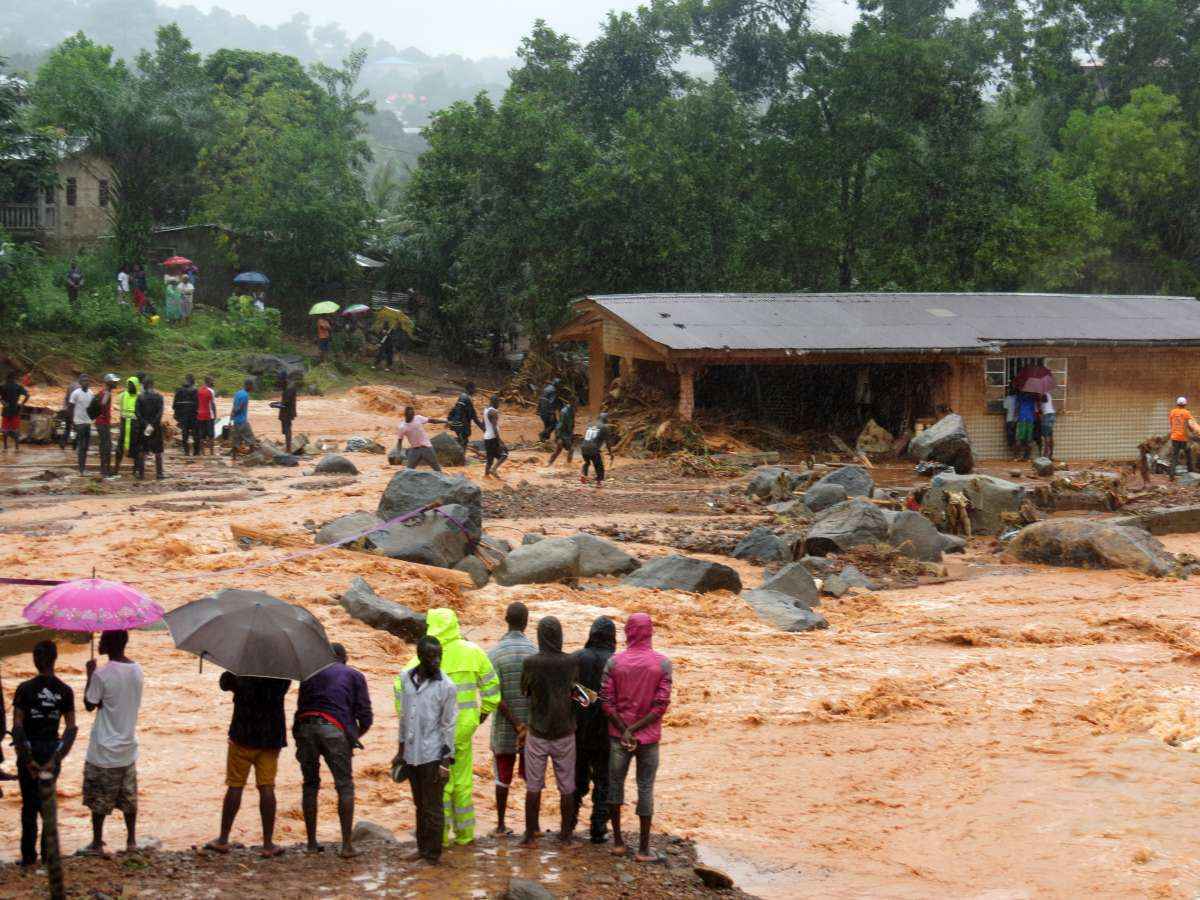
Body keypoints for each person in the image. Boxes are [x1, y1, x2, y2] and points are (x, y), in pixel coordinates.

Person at [395, 608, 499, 848]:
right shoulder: (473, 652)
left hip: (433, 735)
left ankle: (440, 836)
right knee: (462, 781)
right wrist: (482, 714)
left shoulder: (420, 659)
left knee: (438, 785)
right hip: (464, 728)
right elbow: (492, 687)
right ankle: (465, 835)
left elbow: (401, 693)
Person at [601, 613, 672, 863]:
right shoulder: (662, 664)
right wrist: (637, 728)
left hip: (618, 736)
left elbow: (606, 701)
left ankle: (619, 842)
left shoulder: (614, 662)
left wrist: (624, 729)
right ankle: (643, 849)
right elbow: (661, 705)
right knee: (645, 787)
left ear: (628, 632)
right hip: (649, 737)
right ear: (650, 632)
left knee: (615, 784)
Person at [294, 643, 373, 858]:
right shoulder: (354, 675)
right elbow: (365, 716)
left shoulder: (308, 674)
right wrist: (353, 736)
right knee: (344, 786)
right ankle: (346, 846)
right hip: (334, 731)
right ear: (344, 658)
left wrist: (297, 738)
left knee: (310, 784)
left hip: (305, 727)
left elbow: (300, 707)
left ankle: (311, 843)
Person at [205, 671, 290, 858]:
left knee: (235, 786)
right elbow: (281, 691)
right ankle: (268, 843)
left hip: (242, 733)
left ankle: (223, 839)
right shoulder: (283, 671)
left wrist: (235, 678)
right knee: (267, 786)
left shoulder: (243, 668)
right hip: (271, 736)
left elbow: (224, 683)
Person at [12, 641, 77, 868]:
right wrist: (55, 760)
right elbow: (70, 729)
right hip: (52, 748)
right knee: (47, 805)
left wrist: (27, 758)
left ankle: (28, 857)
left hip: (29, 748)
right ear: (55, 659)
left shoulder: (24, 689)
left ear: (35, 660)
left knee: (29, 805)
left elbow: (17, 727)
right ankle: (49, 856)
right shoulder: (65, 690)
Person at [393, 636, 457, 864]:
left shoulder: (447, 687)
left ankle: (432, 855)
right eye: (431, 656)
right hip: (411, 754)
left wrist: (445, 761)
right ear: (420, 657)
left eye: (439, 656)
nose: (437, 661)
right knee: (419, 804)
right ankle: (421, 849)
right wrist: (400, 751)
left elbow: (449, 726)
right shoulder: (406, 678)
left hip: (433, 755)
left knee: (434, 807)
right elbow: (404, 717)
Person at [518, 616, 579, 849]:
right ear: (560, 636)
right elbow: (580, 696)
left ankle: (530, 835)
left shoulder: (530, 662)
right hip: (565, 732)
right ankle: (565, 836)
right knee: (567, 786)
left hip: (538, 731)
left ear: (540, 636)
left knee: (533, 786)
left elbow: (525, 690)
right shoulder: (572, 662)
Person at [82, 630, 144, 857]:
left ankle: (97, 842)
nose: (99, 641)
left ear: (110, 643)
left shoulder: (102, 674)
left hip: (104, 747)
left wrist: (90, 674)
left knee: (98, 799)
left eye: (102, 639)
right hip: (127, 745)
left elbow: (90, 704)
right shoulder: (137, 670)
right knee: (128, 799)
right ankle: (131, 841)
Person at [487, 602, 536, 835]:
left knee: (502, 777)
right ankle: (532, 827)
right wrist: (524, 725)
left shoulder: (494, 654)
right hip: (531, 728)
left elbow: (493, 696)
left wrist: (515, 723)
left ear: (506, 619)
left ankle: (500, 824)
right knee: (531, 778)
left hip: (505, 728)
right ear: (526, 622)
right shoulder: (535, 653)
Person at [572, 616, 616, 844]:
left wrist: (587, 701)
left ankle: (568, 825)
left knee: (576, 781)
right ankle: (598, 829)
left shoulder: (577, 658)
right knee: (604, 781)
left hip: (578, 731)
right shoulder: (617, 661)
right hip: (607, 733)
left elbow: (567, 690)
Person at [396, 406, 445, 472]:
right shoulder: (402, 427)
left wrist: (445, 421)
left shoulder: (418, 418)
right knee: (408, 471)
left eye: (413, 414)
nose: (412, 416)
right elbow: (399, 441)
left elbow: (432, 420)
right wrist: (398, 453)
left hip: (427, 448)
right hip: (415, 450)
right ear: (405, 415)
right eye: (410, 414)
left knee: (437, 469)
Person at [134, 376, 165, 480]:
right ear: (152, 385)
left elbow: (137, 413)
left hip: (144, 427)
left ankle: (141, 473)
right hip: (155, 427)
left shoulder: (140, 397)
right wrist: (153, 423)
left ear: (144, 385)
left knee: (142, 449)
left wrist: (145, 424)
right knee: (158, 451)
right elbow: (160, 412)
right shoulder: (159, 396)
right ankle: (159, 473)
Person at [67, 374, 95, 475]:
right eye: (84, 381)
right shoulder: (75, 393)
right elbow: (70, 407)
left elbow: (92, 407)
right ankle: (81, 469)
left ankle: (83, 468)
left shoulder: (91, 393)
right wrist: (72, 421)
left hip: (87, 422)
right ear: (80, 382)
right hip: (79, 423)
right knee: (82, 446)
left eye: (87, 381)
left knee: (86, 447)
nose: (86, 382)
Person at [1168, 397, 1200, 481]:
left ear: (1177, 404)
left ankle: (1171, 475)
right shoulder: (1187, 413)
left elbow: (1171, 423)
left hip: (1174, 437)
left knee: (1174, 456)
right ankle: (1191, 472)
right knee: (1188, 455)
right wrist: (1195, 432)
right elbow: (1191, 424)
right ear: (1185, 404)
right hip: (1184, 438)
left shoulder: (1172, 412)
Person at [580, 413, 616, 486]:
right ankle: (598, 482)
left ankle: (583, 475)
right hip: (593, 448)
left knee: (587, 462)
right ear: (605, 419)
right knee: (599, 465)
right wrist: (611, 453)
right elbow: (608, 442)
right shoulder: (604, 427)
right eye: (607, 419)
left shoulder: (590, 424)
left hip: (583, 447)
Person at [95, 374, 119, 478]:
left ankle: (104, 469)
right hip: (103, 423)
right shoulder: (107, 393)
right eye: (114, 382)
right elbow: (103, 404)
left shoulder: (103, 392)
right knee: (106, 446)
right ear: (109, 383)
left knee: (104, 445)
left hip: (101, 422)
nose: (116, 384)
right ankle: (105, 471)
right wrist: (104, 416)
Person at [115, 375, 140, 475]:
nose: (130, 387)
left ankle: (136, 469)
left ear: (136, 386)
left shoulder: (140, 397)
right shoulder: (122, 395)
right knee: (120, 447)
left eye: (132, 385)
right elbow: (119, 407)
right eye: (129, 385)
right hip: (124, 424)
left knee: (136, 447)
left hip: (135, 425)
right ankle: (116, 469)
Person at [447, 383, 483, 448]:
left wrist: (483, 429)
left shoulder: (468, 398)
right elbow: (458, 410)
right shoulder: (464, 397)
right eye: (474, 389)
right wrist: (456, 424)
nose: (475, 390)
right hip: (461, 425)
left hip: (463, 426)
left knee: (464, 442)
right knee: (463, 442)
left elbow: (474, 416)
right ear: (470, 389)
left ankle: (460, 455)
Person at [2, 369, 30, 452]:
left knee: (5, 430)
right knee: (16, 429)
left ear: (7, 378)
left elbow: (1, 399)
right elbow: (27, 395)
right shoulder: (18, 386)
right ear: (14, 378)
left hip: (6, 411)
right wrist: (21, 404)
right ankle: (17, 448)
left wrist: (4, 403)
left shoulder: (3, 386)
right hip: (15, 410)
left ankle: (5, 447)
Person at [173, 374, 200, 457]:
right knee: (196, 433)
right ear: (193, 381)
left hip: (183, 415)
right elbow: (199, 404)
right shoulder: (196, 391)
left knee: (185, 433)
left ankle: (186, 451)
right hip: (194, 415)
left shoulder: (179, 391)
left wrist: (177, 414)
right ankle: (196, 452)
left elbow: (174, 405)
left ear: (186, 380)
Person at [483, 396, 508, 479]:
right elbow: (494, 428)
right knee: (504, 454)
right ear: (495, 402)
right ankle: (494, 469)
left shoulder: (486, 410)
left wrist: (486, 432)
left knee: (489, 460)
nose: (499, 404)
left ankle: (486, 477)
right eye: (498, 402)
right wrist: (500, 442)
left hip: (487, 438)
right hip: (493, 438)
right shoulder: (493, 412)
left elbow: (484, 424)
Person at [547, 400, 576, 466]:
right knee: (563, 449)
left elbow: (572, 424)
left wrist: (571, 434)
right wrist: (558, 437)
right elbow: (560, 424)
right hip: (562, 434)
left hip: (567, 434)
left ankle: (550, 463)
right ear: (572, 403)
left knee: (564, 450)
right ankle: (568, 465)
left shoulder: (571, 411)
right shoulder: (565, 411)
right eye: (576, 403)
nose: (577, 405)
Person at [230, 378, 254, 454]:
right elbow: (239, 408)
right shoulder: (245, 395)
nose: (252, 388)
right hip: (242, 421)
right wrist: (235, 413)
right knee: (250, 439)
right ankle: (253, 455)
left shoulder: (238, 393)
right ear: (248, 385)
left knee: (236, 439)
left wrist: (231, 417)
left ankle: (234, 458)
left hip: (236, 421)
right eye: (251, 386)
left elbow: (234, 406)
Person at [1014, 392, 1039, 460]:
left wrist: (1015, 418)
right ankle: (1026, 456)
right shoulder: (1033, 399)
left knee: (1019, 439)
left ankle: (1017, 456)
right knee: (1028, 439)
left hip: (1022, 419)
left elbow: (1016, 409)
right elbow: (1035, 411)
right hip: (1030, 420)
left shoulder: (1019, 397)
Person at [197, 375, 217, 455]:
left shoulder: (199, 390)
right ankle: (212, 452)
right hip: (209, 415)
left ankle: (203, 452)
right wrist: (215, 415)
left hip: (200, 415)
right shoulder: (211, 391)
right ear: (209, 382)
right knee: (211, 434)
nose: (213, 382)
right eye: (212, 381)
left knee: (202, 434)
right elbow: (212, 404)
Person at [59, 376, 80, 451]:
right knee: (75, 429)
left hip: (68, 409)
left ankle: (63, 443)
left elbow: (66, 398)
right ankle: (74, 444)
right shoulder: (80, 388)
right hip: (75, 411)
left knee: (67, 428)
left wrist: (64, 407)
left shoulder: (71, 385)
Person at [277, 375, 298, 455]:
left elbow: (285, 403)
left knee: (287, 429)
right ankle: (288, 447)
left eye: (280, 382)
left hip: (287, 412)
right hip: (287, 411)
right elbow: (285, 402)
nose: (280, 384)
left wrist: (276, 405)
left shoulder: (289, 389)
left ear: (284, 380)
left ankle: (288, 449)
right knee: (286, 429)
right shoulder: (288, 387)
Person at [1039, 392, 1056, 460]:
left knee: (1046, 436)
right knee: (1050, 434)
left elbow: (1043, 403)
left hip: (1046, 415)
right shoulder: (1049, 394)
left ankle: (1045, 456)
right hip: (1052, 414)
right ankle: (1050, 454)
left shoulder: (1042, 395)